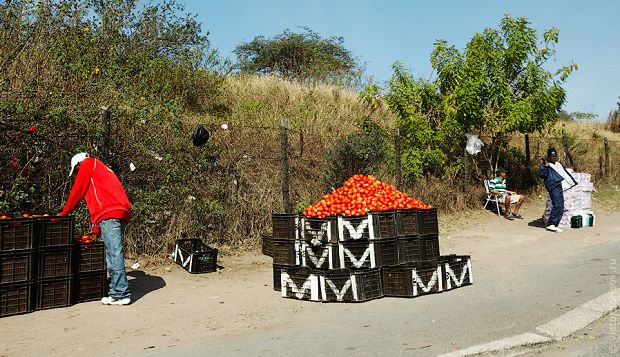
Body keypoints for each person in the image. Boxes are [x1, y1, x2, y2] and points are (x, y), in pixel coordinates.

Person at [59, 152, 132, 305]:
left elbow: (78, 190)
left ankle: (121, 293)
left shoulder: (88, 163)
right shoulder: (102, 169)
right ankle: (115, 291)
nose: (77, 174)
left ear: (79, 164)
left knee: (114, 252)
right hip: (119, 211)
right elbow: (102, 194)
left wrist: (63, 213)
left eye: (76, 171)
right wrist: (97, 228)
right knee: (112, 252)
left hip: (110, 212)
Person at [538, 147, 577, 233]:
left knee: (561, 206)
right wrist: (545, 166)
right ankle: (551, 224)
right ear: (548, 157)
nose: (554, 158)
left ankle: (555, 224)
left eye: (555, 156)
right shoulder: (546, 165)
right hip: (553, 186)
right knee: (557, 204)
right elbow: (541, 174)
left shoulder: (557, 164)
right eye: (552, 156)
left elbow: (563, 173)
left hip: (559, 186)